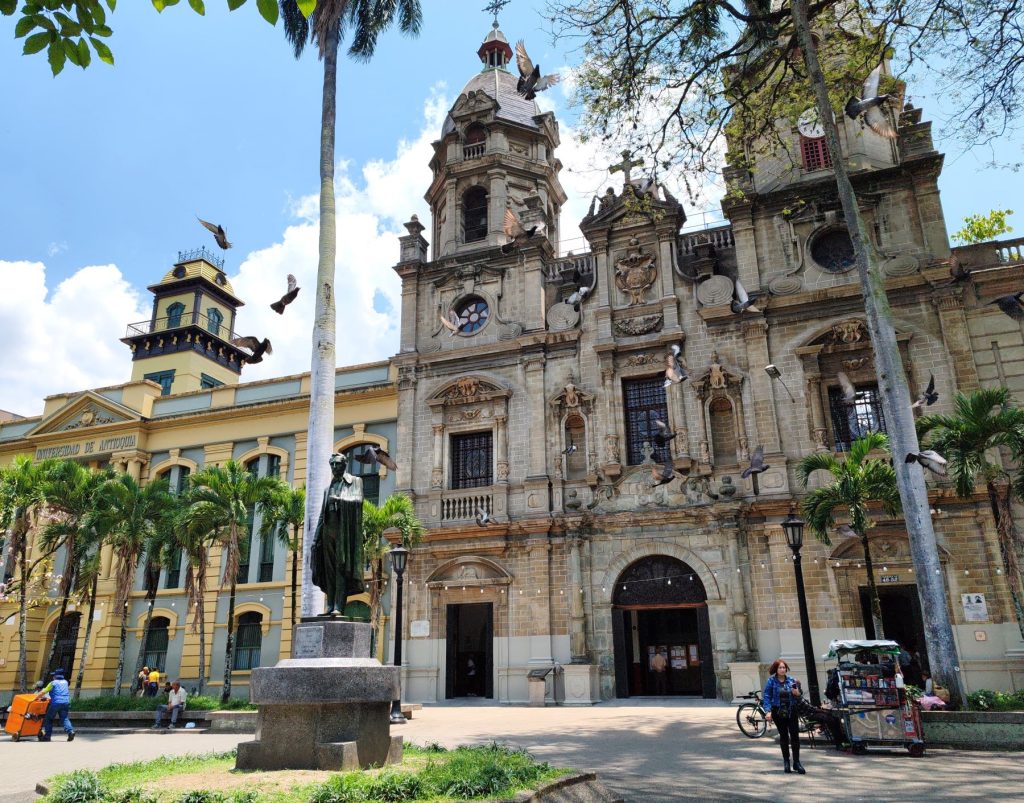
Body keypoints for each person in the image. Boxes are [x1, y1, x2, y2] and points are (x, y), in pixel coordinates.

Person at [310, 453, 365, 616]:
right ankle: (330, 605)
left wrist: (339, 500)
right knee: (329, 571)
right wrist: (316, 538)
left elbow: (358, 501)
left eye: (337, 464)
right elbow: (322, 515)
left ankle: (338, 606)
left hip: (344, 533)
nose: (334, 467)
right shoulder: (328, 488)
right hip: (328, 532)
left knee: (341, 568)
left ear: (345, 465)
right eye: (332, 464)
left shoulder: (355, 482)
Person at [763, 659, 805, 774]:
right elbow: (767, 696)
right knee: (784, 736)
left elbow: (798, 695)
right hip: (778, 711)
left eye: (784, 667)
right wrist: (768, 711)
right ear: (776, 669)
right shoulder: (771, 681)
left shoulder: (792, 680)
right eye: (780, 668)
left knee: (795, 736)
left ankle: (796, 762)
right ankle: (786, 761)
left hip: (791, 710)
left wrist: (796, 692)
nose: (782, 669)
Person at [35, 668, 75, 742]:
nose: (53, 676)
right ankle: (70, 732)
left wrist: (35, 698)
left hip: (56, 703)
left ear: (56, 676)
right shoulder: (65, 682)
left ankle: (47, 736)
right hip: (66, 702)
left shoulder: (52, 683)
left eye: (54, 675)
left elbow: (43, 692)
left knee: (48, 718)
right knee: (64, 718)